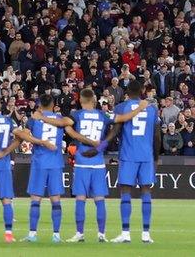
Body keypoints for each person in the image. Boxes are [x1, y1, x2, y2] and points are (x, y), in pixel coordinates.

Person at [34, 87, 145, 242]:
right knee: (99, 199)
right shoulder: (103, 115)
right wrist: (139, 108)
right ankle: (101, 234)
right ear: (94, 100)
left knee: (80, 198)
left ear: (80, 100)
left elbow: (61, 123)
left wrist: (42, 118)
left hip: (81, 162)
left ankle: (80, 233)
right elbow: (124, 118)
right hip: (98, 162)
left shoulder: (76, 114)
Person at [0, 93, 54, 242]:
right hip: (4, 163)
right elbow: (20, 137)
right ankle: (9, 235)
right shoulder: (8, 121)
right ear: (0, 105)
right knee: (6, 199)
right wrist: (6, 152)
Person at [107, 80, 159, 244]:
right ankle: (145, 234)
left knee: (125, 192)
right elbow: (157, 137)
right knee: (146, 192)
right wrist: (155, 158)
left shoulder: (121, 107)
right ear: (143, 91)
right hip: (146, 156)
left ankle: (125, 233)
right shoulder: (152, 109)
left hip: (128, 155)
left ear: (127, 92)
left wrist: (100, 146)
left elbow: (115, 131)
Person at [22, 94, 67, 243]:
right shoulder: (60, 120)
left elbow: (24, 135)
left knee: (36, 199)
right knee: (56, 200)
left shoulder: (34, 119)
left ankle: (32, 234)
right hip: (55, 162)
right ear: (53, 105)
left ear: (39, 105)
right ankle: (56, 235)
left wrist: (41, 142)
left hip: (40, 162)